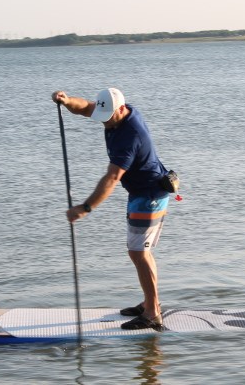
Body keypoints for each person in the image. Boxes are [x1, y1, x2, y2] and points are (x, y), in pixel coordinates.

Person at [52, 87, 171, 330]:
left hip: (149, 196)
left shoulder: (130, 136)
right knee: (140, 252)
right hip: (141, 193)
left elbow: (112, 178)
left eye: (107, 118)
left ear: (120, 110)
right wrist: (66, 101)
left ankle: (152, 313)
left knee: (139, 253)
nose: (103, 123)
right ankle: (150, 302)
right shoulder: (116, 113)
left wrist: (85, 208)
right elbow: (85, 107)